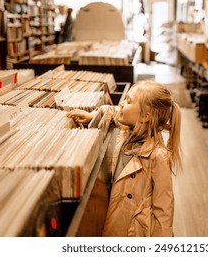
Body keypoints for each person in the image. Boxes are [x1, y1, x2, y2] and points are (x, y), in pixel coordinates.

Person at [67, 80, 182, 237]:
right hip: (115, 218)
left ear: (145, 116)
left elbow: (164, 209)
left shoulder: (158, 156)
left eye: (128, 101)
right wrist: (94, 115)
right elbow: (114, 111)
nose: (121, 104)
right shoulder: (128, 127)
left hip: (134, 231)